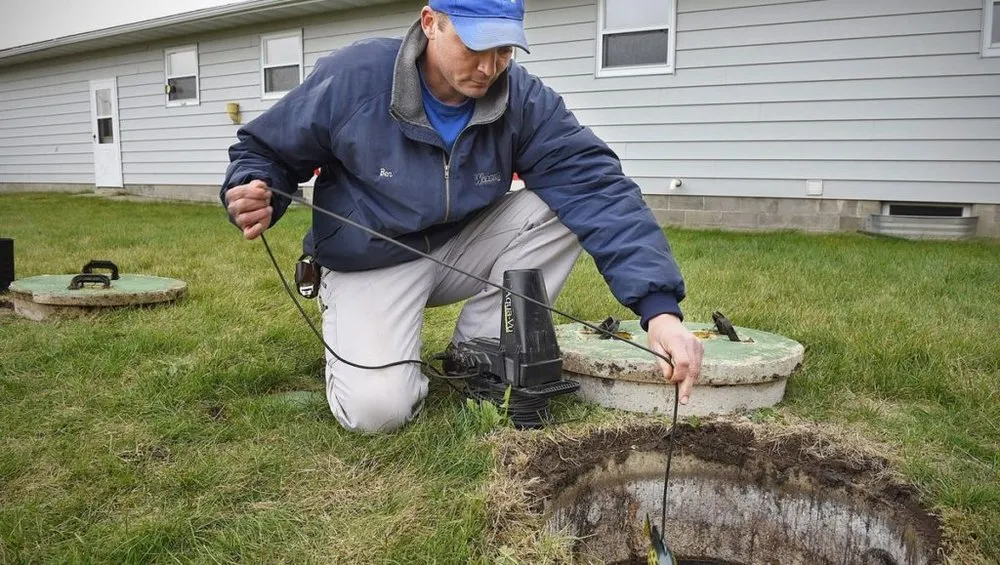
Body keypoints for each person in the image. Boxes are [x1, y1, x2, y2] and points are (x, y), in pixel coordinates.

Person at [221, 0, 704, 433]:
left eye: (504, 51)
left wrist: (658, 311)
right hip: (371, 257)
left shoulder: (523, 99)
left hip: (463, 244)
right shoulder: (354, 77)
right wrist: (256, 189)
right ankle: (361, 346)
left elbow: (595, 187)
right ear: (431, 23)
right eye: (476, 47)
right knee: (378, 412)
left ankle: (479, 353)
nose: (490, 67)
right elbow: (266, 149)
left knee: (561, 204)